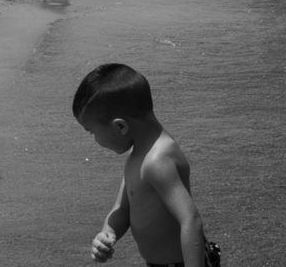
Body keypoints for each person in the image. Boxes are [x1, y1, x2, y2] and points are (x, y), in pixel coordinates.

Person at [72, 63, 219, 267]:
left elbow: (190, 220)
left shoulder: (158, 161)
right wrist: (107, 233)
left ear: (120, 126)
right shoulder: (138, 156)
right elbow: (122, 210)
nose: (95, 139)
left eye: (92, 132)